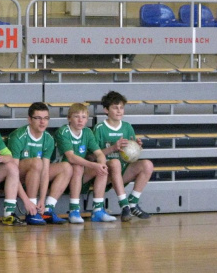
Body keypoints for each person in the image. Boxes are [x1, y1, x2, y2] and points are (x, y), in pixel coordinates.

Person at [7, 102, 72, 225]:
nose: (42, 122)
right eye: (38, 118)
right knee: (37, 163)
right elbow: (12, 172)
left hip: (36, 173)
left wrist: (42, 199)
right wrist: (28, 202)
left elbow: (45, 172)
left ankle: (47, 210)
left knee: (66, 167)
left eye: (46, 118)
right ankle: (31, 212)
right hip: (17, 176)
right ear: (29, 119)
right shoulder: (18, 136)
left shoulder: (48, 139)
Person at [93, 91, 153, 222]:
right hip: (104, 174)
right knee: (114, 162)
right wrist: (113, 148)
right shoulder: (99, 128)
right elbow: (92, 156)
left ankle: (132, 203)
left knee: (147, 164)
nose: (119, 111)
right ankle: (124, 205)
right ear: (106, 110)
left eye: (121, 107)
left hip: (122, 172)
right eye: (115, 107)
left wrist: (136, 147)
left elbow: (131, 154)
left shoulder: (127, 127)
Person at [55, 103, 115, 224]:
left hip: (79, 176)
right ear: (69, 118)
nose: (80, 120)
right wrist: (94, 165)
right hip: (61, 177)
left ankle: (98, 210)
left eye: (83, 117)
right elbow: (71, 158)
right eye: (76, 116)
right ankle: (74, 211)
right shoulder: (63, 131)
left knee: (102, 168)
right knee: (77, 166)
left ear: (87, 119)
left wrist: (102, 164)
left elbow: (99, 154)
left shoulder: (87, 132)